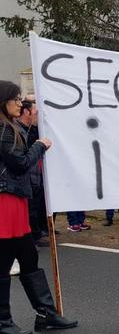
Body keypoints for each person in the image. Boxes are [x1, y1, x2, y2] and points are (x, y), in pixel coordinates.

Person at [0, 80, 78, 334]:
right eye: (16, 98)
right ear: (3, 101)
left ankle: (45, 314)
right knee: (3, 263)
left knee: (28, 258)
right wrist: (39, 146)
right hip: (6, 204)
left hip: (15, 202)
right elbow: (20, 164)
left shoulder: (8, 128)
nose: (20, 102)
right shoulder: (3, 130)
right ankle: (3, 322)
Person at [14, 97, 48, 247]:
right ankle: (33, 237)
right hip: (25, 177)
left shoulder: (31, 129)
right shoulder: (15, 131)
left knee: (35, 206)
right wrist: (39, 146)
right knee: (30, 208)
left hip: (34, 176)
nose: (37, 114)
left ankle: (35, 234)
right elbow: (23, 159)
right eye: (35, 111)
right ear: (27, 112)